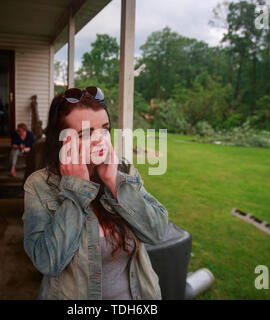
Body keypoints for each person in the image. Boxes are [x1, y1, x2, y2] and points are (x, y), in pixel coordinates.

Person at [22, 86, 169, 300]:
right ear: (63, 141)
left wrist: (113, 181)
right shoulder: (39, 185)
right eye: (86, 133)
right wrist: (76, 190)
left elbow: (156, 231)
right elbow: (47, 261)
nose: (100, 140)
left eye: (104, 129)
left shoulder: (123, 171)